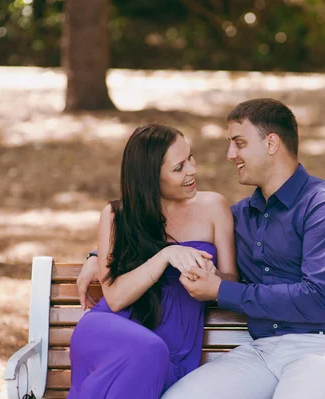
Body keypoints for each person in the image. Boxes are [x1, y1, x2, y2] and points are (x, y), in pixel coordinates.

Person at [80, 98, 325, 399]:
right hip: (263, 352)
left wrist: (220, 290)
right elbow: (171, 231)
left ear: (271, 143)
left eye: (239, 143)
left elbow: (318, 299)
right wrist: (97, 256)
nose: (230, 154)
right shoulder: (241, 216)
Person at [68, 124, 239, 399]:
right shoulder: (116, 216)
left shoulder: (213, 207)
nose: (192, 170)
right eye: (178, 167)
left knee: (152, 352)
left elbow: (231, 279)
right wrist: (165, 256)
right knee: (148, 350)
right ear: (150, 177)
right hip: (109, 331)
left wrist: (212, 276)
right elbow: (115, 299)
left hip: (172, 350)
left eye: (190, 158)